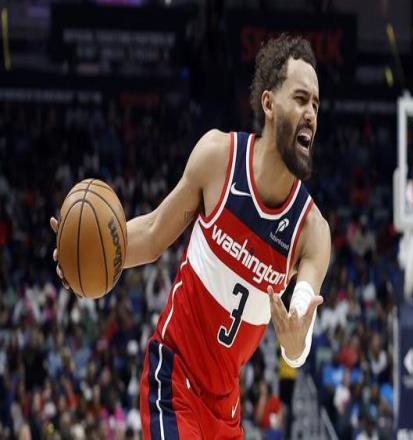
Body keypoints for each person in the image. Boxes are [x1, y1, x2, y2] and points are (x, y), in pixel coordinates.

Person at [50, 34, 330, 439]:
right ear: (269, 104)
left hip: (225, 408)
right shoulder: (219, 159)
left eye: (316, 105)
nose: (311, 114)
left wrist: (295, 343)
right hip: (173, 376)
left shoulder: (312, 231)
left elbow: (299, 327)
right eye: (301, 99)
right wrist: (89, 252)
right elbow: (152, 233)